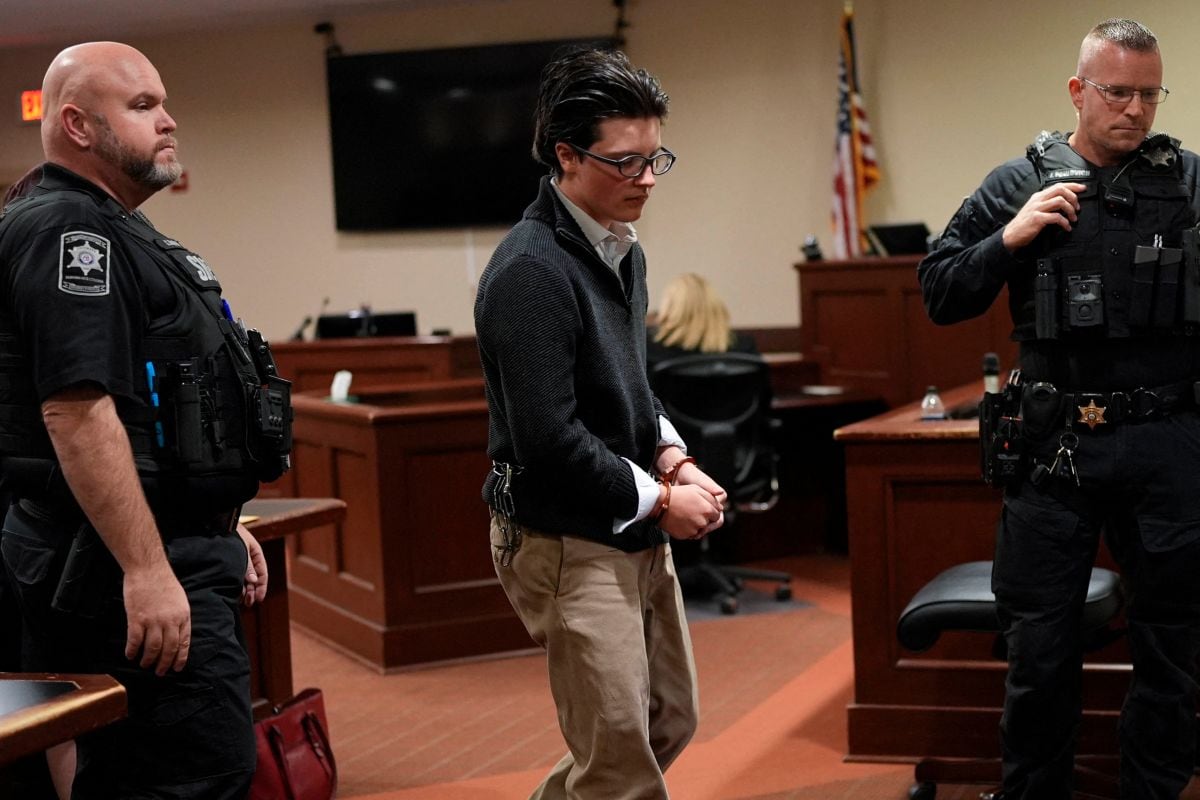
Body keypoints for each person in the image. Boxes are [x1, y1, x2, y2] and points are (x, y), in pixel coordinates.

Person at [0, 42, 292, 799]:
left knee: (167, 769)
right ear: (78, 125)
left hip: (166, 548)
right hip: (120, 567)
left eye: (161, 102)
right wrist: (147, 566)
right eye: (141, 107)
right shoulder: (72, 233)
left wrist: (219, 520)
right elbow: (77, 410)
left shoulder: (118, 228)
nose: (168, 121)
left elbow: (151, 411)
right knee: (190, 775)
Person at [918, 19, 1200, 800]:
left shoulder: (1191, 182)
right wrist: (1007, 239)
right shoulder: (1018, 182)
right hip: (1055, 449)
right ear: (1079, 91)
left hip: (1167, 444)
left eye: (1150, 94)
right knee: (1039, 654)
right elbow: (939, 290)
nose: (1136, 111)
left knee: (1176, 647)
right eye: (1118, 93)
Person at [474, 47, 727, 799]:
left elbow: (627, 388)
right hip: (564, 537)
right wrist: (660, 499)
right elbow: (549, 439)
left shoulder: (621, 248)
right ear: (565, 154)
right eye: (626, 163)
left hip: (626, 517)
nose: (647, 180)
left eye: (656, 160)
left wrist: (674, 457)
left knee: (665, 723)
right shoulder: (530, 272)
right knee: (620, 766)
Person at [645, 272, 759, 373]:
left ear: (669, 309)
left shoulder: (648, 349)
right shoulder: (744, 349)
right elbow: (763, 394)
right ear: (715, 308)